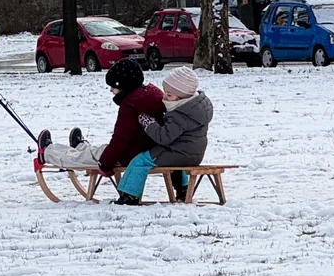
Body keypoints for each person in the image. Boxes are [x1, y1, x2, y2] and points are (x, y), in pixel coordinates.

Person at [35, 60, 165, 190]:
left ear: (124, 87)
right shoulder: (153, 96)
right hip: (147, 151)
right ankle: (80, 146)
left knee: (84, 157)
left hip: (127, 156)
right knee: (98, 151)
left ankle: (47, 153)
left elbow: (120, 140)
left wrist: (105, 164)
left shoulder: (130, 106)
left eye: (113, 87)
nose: (110, 90)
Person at [116, 66, 214, 205]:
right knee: (175, 163)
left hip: (177, 153)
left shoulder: (180, 114)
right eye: (165, 93)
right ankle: (183, 189)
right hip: (193, 154)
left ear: (183, 96)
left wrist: (149, 124)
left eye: (169, 95)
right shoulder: (196, 108)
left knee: (140, 161)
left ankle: (129, 195)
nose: (164, 98)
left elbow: (164, 137)